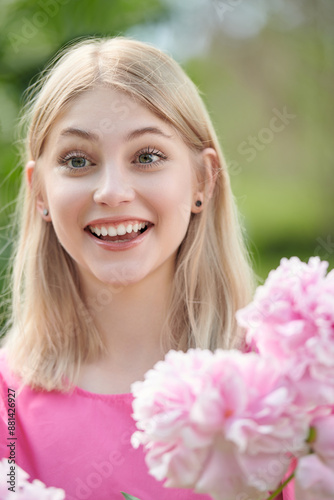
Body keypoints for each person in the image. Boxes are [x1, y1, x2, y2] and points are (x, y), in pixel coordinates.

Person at [0, 37, 257, 499]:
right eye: (78, 161)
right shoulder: (7, 401)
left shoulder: (278, 383)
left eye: (147, 157)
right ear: (40, 193)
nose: (112, 192)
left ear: (204, 178)